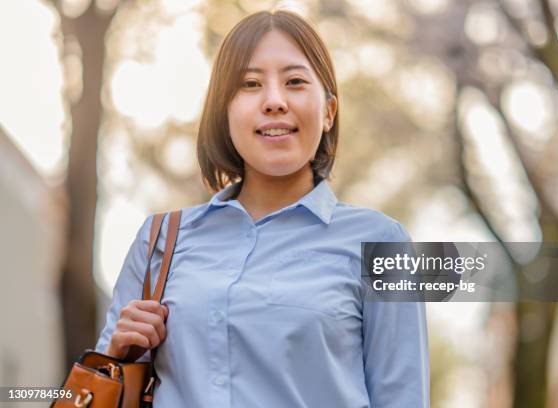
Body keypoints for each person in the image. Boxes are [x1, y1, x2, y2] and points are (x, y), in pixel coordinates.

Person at [96, 9, 429, 407]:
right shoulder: (161, 241)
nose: (274, 101)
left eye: (295, 82)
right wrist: (117, 354)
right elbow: (100, 391)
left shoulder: (384, 243)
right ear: (224, 111)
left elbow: (402, 398)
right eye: (250, 84)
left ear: (328, 112)